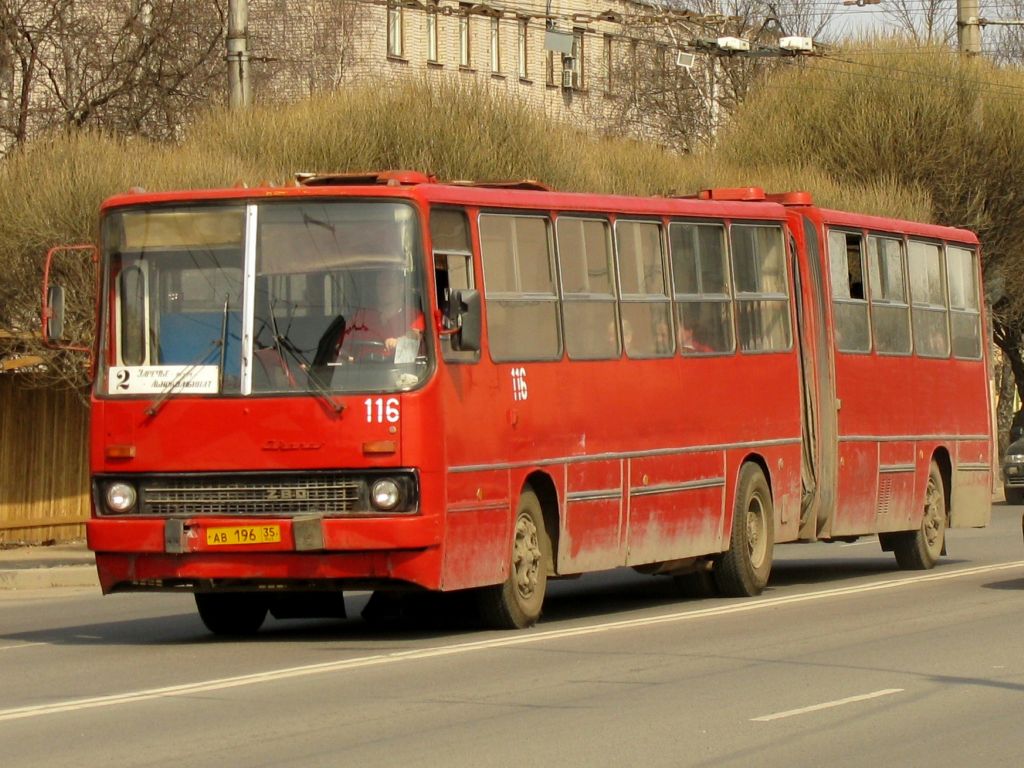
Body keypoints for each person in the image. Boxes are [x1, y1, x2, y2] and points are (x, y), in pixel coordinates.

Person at [341, 269, 425, 361]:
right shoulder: (361, 316)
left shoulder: (414, 316)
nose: (383, 289)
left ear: (401, 288)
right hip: (361, 371)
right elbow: (341, 345)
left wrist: (399, 342)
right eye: (380, 285)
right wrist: (347, 358)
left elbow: (415, 336)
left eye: (389, 284)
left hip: (397, 372)